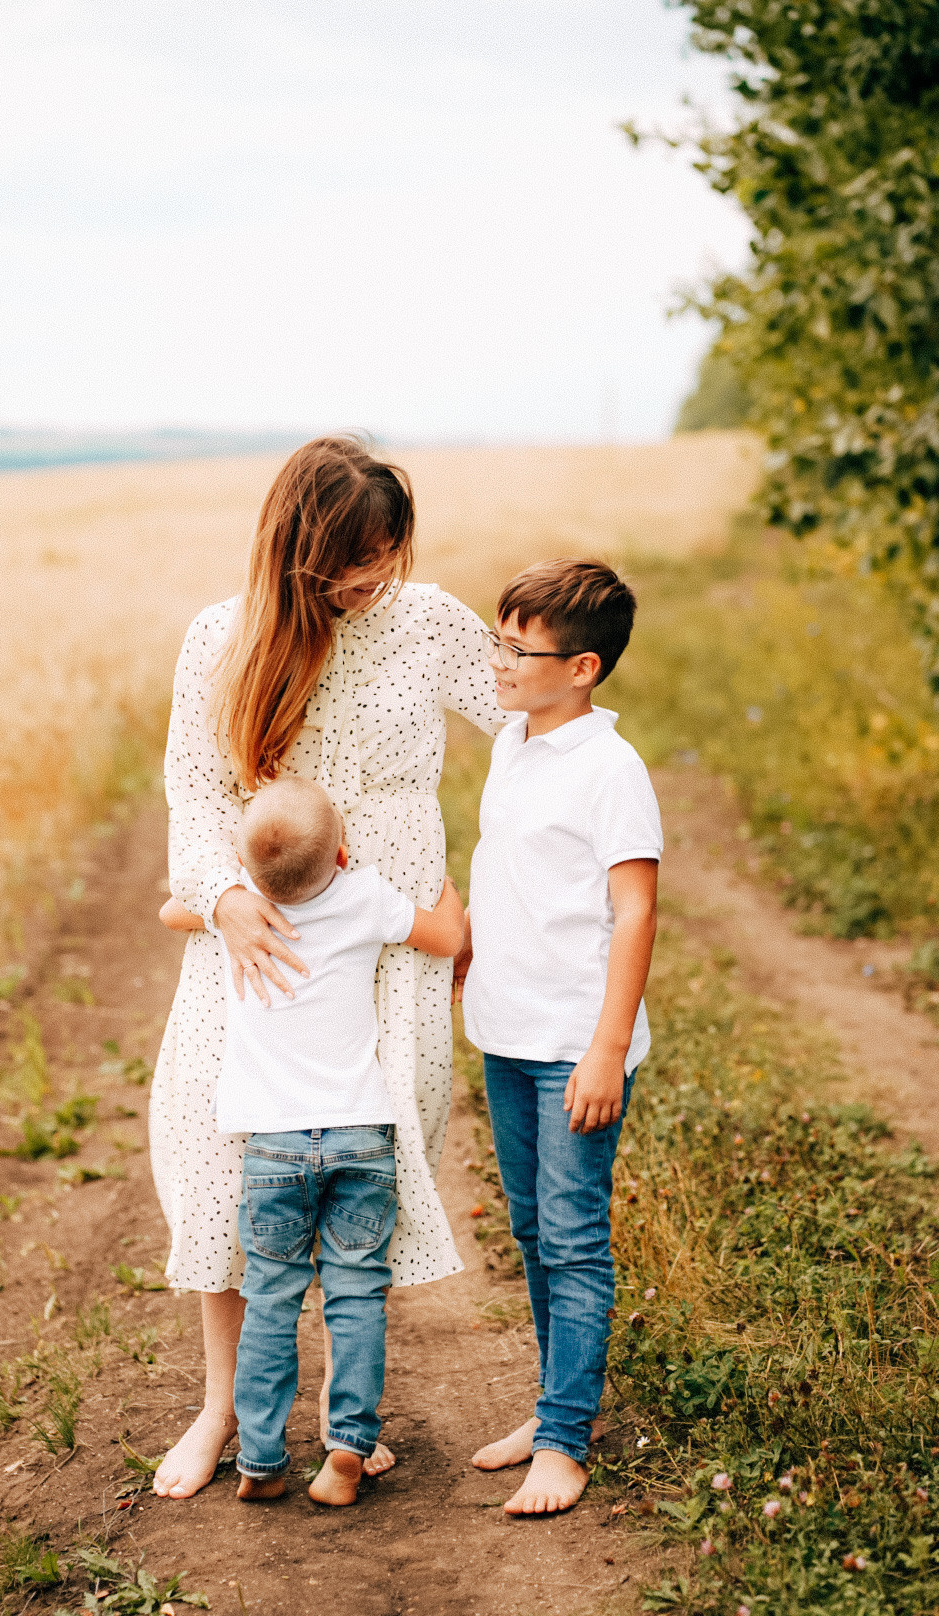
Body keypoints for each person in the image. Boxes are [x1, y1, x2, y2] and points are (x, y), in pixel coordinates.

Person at [149, 436, 502, 1499]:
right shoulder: (224, 637)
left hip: (391, 928)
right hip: (264, 925)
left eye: (388, 554)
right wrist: (220, 898)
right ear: (301, 551)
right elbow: (196, 788)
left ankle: (349, 1418)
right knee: (219, 1148)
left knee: (375, 1150)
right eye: (354, 559)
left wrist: (525, 864)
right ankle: (222, 1406)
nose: (373, 579)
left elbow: (528, 714)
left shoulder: (430, 618)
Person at [162, 776, 465, 1505]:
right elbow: (447, 934)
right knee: (357, 1295)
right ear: (341, 848)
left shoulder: (243, 904)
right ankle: (345, 1450)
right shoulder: (363, 897)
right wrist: (442, 879)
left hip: (272, 1149)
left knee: (269, 1297)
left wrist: (223, 888)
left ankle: (262, 1460)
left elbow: (174, 908)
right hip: (361, 1134)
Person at [455, 558, 662, 1518]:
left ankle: (567, 1445)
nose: (497, 661)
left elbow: (634, 912)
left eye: (517, 648)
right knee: (535, 1232)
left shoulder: (610, 770)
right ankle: (554, 1412)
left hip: (574, 1043)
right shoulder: (513, 743)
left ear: (582, 667)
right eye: (499, 638)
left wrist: (607, 1047)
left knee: (574, 1239)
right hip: (506, 1030)